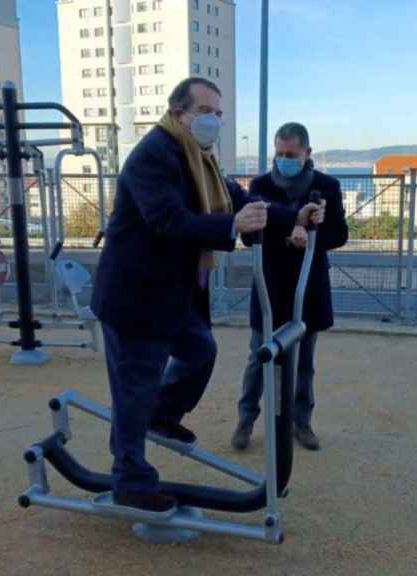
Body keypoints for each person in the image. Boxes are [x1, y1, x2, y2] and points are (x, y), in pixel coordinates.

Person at [91, 78, 325, 512]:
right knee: (134, 389)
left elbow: (240, 199)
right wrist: (230, 228)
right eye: (206, 112)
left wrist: (296, 214)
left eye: (219, 113)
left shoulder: (199, 155)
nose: (215, 120)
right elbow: (166, 221)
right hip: (136, 296)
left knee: (200, 350)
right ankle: (131, 480)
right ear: (180, 114)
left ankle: (161, 415)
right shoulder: (153, 155)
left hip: (172, 294)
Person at [231, 122, 349, 452]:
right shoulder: (261, 185)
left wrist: (312, 236)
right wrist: (287, 231)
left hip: (307, 284)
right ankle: (245, 421)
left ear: (306, 154)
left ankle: (302, 423)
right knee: (259, 357)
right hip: (269, 282)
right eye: (279, 153)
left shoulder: (327, 186)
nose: (283, 159)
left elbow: (339, 234)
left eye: (291, 154)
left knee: (304, 361)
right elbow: (248, 233)